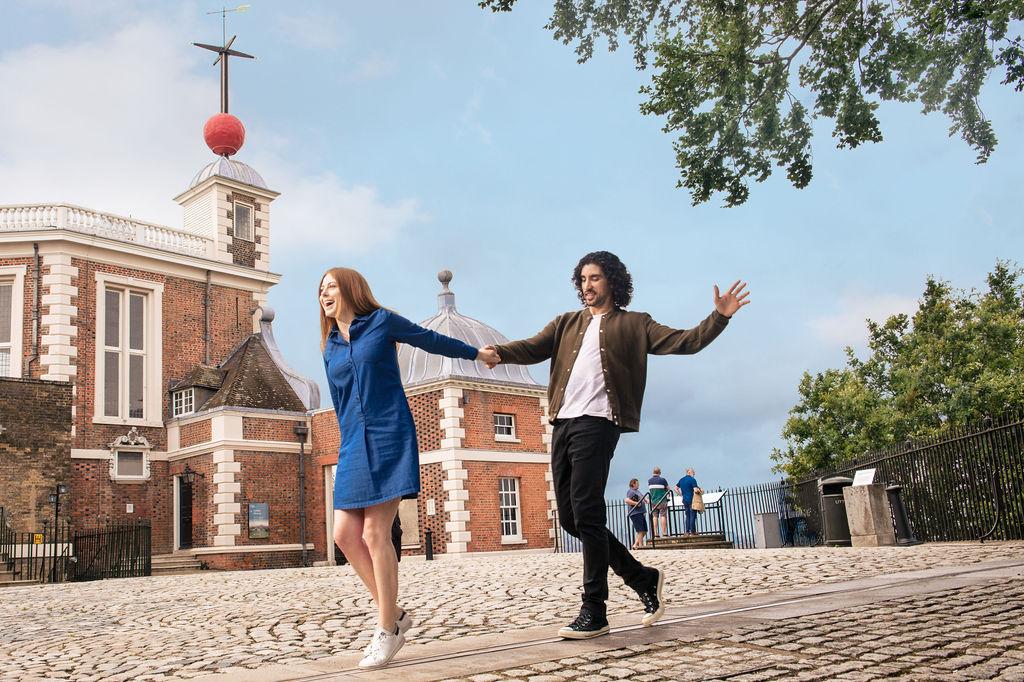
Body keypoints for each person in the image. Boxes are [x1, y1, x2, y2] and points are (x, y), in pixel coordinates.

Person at [485, 251, 749, 639]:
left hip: (599, 423)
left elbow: (684, 342)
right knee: (574, 520)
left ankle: (595, 610)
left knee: (588, 514)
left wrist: (719, 317)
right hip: (564, 423)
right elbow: (533, 346)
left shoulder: (634, 323)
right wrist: (500, 353)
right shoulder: (566, 323)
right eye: (583, 279)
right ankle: (643, 578)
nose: (587, 286)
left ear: (612, 282)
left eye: (595, 278)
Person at [320, 267, 499, 668]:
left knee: (374, 531)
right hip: (352, 443)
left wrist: (476, 353)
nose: (324, 294)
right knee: (344, 535)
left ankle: (386, 628)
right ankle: (396, 614)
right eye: (320, 290)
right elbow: (339, 400)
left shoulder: (381, 322)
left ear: (350, 289)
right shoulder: (330, 346)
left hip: (389, 433)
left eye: (331, 286)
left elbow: (430, 340)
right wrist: (344, 443)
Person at [675, 468, 702, 536]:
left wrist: (681, 495)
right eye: (693, 472)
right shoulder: (692, 480)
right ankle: (693, 532)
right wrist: (700, 491)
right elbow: (695, 490)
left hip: (685, 500)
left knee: (687, 516)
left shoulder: (681, 480)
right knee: (693, 515)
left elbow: (675, 488)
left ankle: (687, 531)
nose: (694, 474)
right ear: (689, 472)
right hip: (692, 500)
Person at [624, 478, 648, 549]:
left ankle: (635, 545)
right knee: (640, 530)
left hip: (641, 512)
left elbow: (641, 498)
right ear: (633, 484)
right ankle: (640, 546)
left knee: (644, 531)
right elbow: (627, 500)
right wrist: (636, 503)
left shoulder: (637, 491)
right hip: (635, 513)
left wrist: (645, 500)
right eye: (637, 483)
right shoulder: (631, 491)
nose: (638, 485)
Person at [648, 467, 670, 538]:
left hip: (653, 501)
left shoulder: (649, 481)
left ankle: (656, 533)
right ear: (659, 472)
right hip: (662, 500)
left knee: (655, 517)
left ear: (653, 472)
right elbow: (668, 489)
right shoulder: (662, 480)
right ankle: (664, 533)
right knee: (663, 516)